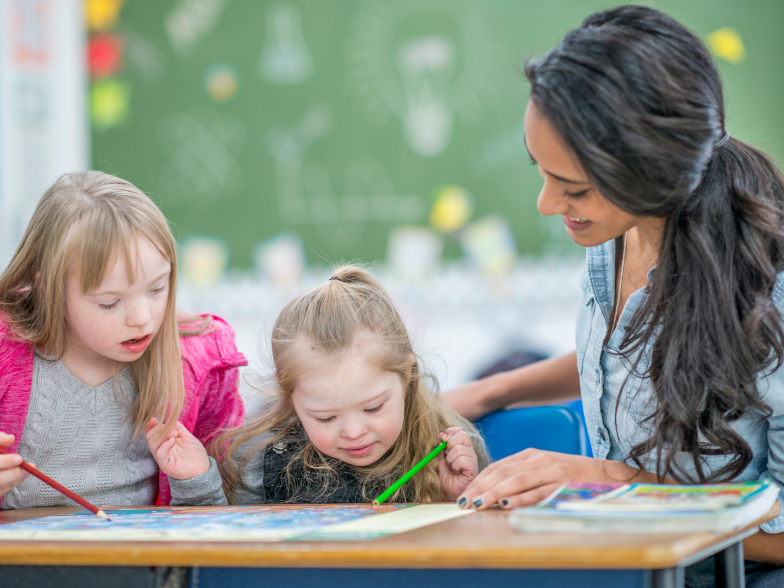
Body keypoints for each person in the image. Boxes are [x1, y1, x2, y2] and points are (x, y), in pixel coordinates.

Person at [441, 5, 784, 582]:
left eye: (573, 188)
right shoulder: (616, 231)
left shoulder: (769, 293)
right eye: (542, 171)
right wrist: (487, 391)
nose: (546, 205)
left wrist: (614, 483)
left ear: (653, 173)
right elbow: (630, 358)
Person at [0, 171, 246, 508]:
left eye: (158, 288)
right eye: (109, 303)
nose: (142, 318)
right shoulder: (5, 350)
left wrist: (198, 482)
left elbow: (231, 512)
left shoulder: (203, 360)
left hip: (148, 560)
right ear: (47, 288)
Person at [146, 266, 486, 505]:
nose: (353, 432)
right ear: (290, 397)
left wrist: (459, 498)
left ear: (407, 375)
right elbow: (221, 555)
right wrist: (196, 483)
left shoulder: (449, 450)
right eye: (325, 418)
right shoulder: (257, 458)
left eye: (372, 408)